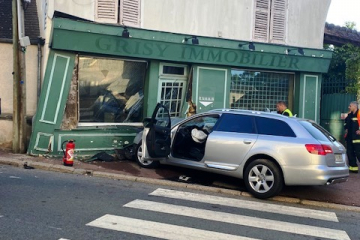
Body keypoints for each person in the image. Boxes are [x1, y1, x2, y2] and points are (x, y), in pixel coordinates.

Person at [344, 101, 360, 173]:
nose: (349, 107)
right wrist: (346, 129)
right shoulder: (349, 115)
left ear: (354, 106)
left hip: (357, 138)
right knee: (350, 153)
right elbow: (346, 124)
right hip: (350, 138)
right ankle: (353, 168)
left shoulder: (359, 114)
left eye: (350, 106)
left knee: (358, 153)